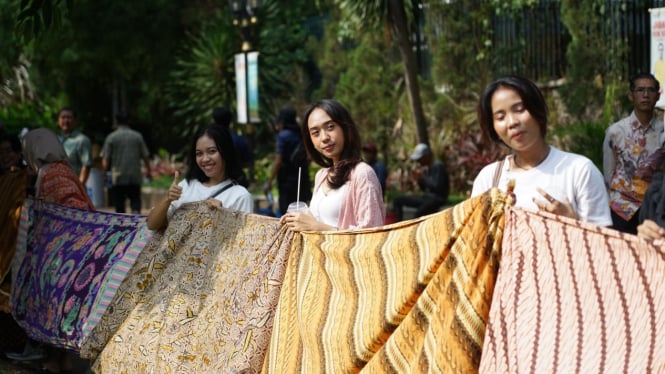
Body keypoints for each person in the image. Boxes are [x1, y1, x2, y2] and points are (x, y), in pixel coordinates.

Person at [471, 75, 612, 226]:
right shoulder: (488, 179)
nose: (512, 122)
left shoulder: (580, 171)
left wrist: (572, 223)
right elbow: (474, 241)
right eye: (500, 117)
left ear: (538, 110)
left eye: (519, 109)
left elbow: (603, 245)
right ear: (493, 128)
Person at [9, 128, 94, 372]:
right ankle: (59, 360)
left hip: (64, 253)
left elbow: (71, 208)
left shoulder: (51, 173)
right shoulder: (62, 170)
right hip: (70, 250)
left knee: (54, 304)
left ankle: (57, 362)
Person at [280, 99, 385, 231]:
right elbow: (320, 220)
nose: (324, 137)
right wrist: (299, 220)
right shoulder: (322, 175)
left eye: (330, 127)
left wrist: (319, 228)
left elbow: (372, 235)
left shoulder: (362, 173)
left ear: (345, 127)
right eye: (315, 133)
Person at [147, 125, 253, 231]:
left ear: (225, 152)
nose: (205, 159)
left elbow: (242, 243)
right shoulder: (186, 186)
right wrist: (168, 199)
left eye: (212, 151)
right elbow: (151, 225)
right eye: (199, 154)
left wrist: (222, 216)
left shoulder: (240, 196)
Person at [603, 72, 665, 234]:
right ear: (631, 95)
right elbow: (608, 176)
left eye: (651, 90)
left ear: (658, 96)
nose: (645, 95)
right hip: (621, 210)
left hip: (654, 208)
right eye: (640, 90)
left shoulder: (663, 130)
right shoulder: (616, 132)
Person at [264, 106, 312, 216]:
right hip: (302, 177)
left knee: (286, 212)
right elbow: (310, 157)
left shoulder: (282, 136)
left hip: (286, 180)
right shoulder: (302, 134)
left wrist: (270, 181)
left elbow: (278, 161)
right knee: (302, 211)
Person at [101, 113, 151, 214]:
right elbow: (146, 156)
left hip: (118, 177)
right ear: (128, 122)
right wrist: (148, 171)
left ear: (116, 122)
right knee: (135, 201)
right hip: (135, 176)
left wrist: (105, 174)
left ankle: (122, 226)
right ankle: (136, 222)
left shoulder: (111, 137)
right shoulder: (137, 136)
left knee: (119, 205)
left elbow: (106, 159)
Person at [392, 143, 449, 221]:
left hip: (437, 199)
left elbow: (437, 187)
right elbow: (425, 188)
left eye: (420, 158)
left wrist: (422, 178)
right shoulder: (426, 168)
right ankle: (398, 223)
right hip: (426, 198)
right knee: (398, 200)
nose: (419, 161)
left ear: (427, 156)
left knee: (418, 215)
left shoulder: (438, 166)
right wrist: (419, 180)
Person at [212, 106, 252, 187]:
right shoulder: (240, 140)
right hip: (237, 180)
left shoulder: (209, 141)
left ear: (214, 120)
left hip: (215, 181)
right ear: (230, 121)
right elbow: (247, 163)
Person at [56, 107, 93, 185]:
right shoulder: (55, 139)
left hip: (73, 188)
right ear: (58, 120)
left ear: (75, 121)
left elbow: (86, 165)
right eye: (63, 117)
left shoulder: (82, 140)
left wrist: (80, 185)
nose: (66, 121)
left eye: (69, 118)